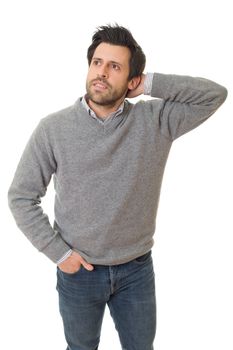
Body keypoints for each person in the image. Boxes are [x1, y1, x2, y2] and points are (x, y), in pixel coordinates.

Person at [8, 24, 227, 350]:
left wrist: (151, 83)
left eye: (115, 67)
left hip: (136, 270)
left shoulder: (156, 121)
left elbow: (214, 95)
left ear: (131, 79)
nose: (102, 73)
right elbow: (22, 196)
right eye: (97, 62)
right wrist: (59, 254)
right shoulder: (53, 129)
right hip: (79, 271)